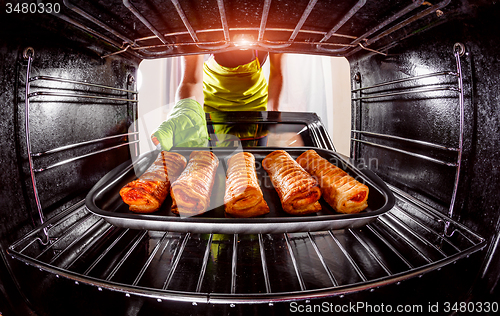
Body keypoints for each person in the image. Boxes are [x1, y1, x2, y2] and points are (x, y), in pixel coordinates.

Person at [151, 49, 284, 150]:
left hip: (255, 114)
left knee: (252, 171)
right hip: (213, 115)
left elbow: (277, 73)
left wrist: (273, 114)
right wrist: (186, 111)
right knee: (214, 170)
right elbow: (191, 81)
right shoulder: (196, 22)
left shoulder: (271, 22)